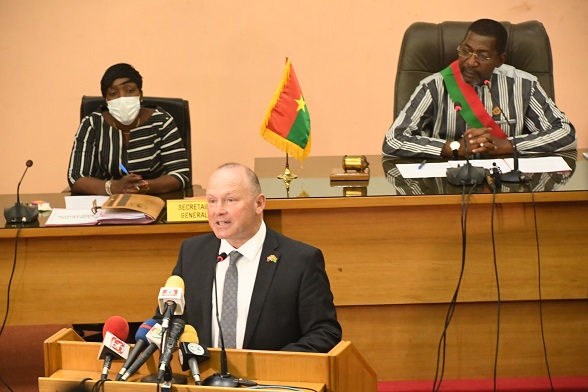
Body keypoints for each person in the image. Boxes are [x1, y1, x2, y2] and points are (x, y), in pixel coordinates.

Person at [161, 163, 342, 352]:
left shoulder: (300, 261)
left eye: (230, 200)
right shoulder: (192, 253)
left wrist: (273, 367)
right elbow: (166, 317)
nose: (218, 210)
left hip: (270, 380)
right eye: (212, 201)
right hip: (202, 377)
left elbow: (324, 332)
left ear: (259, 204)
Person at [382, 19, 576, 159]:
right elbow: (393, 140)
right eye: (466, 51)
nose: (471, 62)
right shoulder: (434, 86)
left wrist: (507, 145)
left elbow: (565, 133)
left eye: (483, 56)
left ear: (500, 60)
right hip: (445, 184)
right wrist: (454, 147)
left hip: (510, 184)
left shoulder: (523, 84)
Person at [67, 63, 190, 195]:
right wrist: (113, 187)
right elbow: (76, 177)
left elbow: (180, 174)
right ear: (106, 100)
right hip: (105, 202)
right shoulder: (92, 124)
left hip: (154, 199)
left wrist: (144, 186)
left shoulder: (162, 121)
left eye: (130, 91)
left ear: (140, 95)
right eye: (113, 93)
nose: (122, 98)